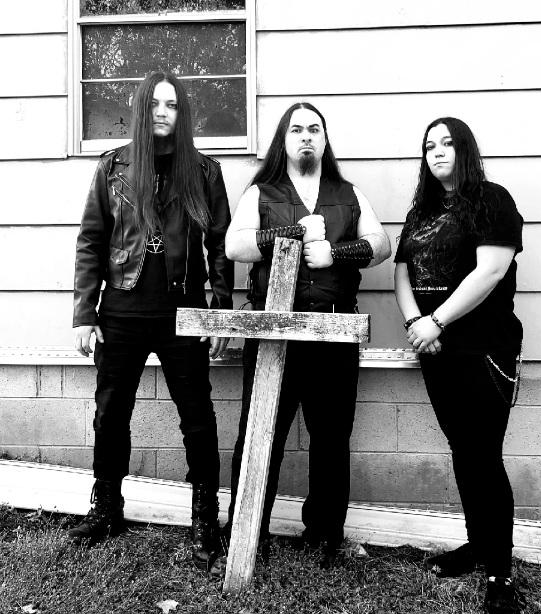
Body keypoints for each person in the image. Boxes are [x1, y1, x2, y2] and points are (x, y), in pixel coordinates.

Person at [69, 71, 234, 574]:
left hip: (183, 311)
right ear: (142, 109)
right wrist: (84, 313)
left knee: (198, 416)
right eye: (155, 103)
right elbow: (91, 240)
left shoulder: (204, 171)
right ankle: (106, 507)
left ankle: (204, 516)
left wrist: (219, 310)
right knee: (110, 412)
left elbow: (220, 245)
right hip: (121, 309)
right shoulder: (112, 166)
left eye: (172, 104)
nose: (163, 111)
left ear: (182, 114)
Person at [224, 102, 390, 568]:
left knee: (332, 439)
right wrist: (292, 233)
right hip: (273, 333)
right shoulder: (262, 192)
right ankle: (247, 529)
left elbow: (381, 245)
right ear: (284, 139)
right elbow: (235, 245)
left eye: (314, 129)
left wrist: (337, 253)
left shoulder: (347, 193)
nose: (306, 137)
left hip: (333, 333)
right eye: (296, 129)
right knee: (260, 434)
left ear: (324, 139)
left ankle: (324, 536)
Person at [394, 117, 524, 613]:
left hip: (484, 348)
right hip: (436, 349)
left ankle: (500, 573)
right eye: (429, 145)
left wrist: (437, 321)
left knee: (484, 456)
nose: (438, 151)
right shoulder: (421, 211)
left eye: (447, 143)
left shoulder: (492, 200)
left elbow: (491, 270)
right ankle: (478, 544)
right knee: (463, 451)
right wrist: (415, 323)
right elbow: (401, 272)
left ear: (465, 149)